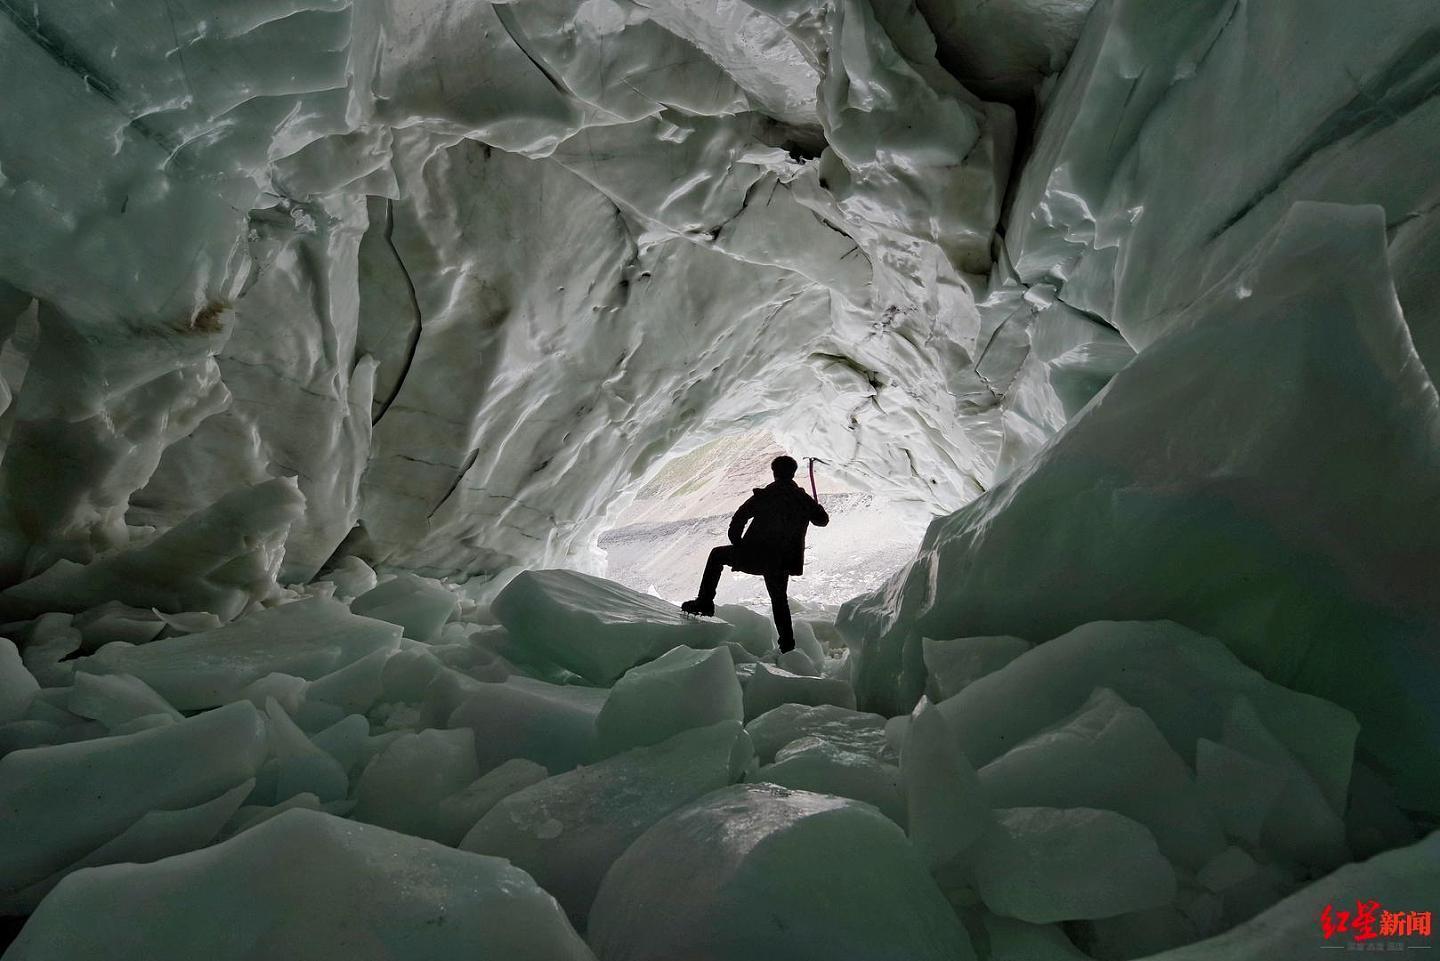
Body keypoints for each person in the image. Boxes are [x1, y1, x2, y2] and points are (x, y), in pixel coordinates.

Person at [681, 455, 829, 653]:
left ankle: (705, 602)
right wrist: (817, 507)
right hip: (781, 561)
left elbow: (739, 517)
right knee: (780, 600)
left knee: (717, 555)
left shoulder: (766, 495)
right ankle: (787, 645)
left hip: (754, 556)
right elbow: (822, 520)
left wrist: (738, 543)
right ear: (793, 473)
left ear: (775, 473)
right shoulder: (802, 499)